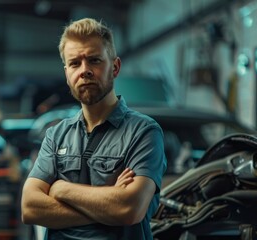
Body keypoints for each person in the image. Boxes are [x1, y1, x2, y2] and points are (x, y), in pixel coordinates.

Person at [21, 18, 167, 240]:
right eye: (75, 63)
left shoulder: (144, 132)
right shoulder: (56, 135)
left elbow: (129, 209)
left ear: (115, 67)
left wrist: (61, 190)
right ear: (67, 73)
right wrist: (109, 205)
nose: (85, 70)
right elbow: (30, 208)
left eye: (94, 60)